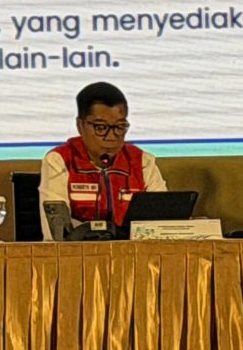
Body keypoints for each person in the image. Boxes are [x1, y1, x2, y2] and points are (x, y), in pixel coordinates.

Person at [39, 81, 166, 238]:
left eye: (119, 127)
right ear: (80, 125)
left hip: (132, 251)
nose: (111, 137)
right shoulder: (59, 161)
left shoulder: (142, 162)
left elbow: (163, 223)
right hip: (78, 251)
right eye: (100, 127)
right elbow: (56, 233)